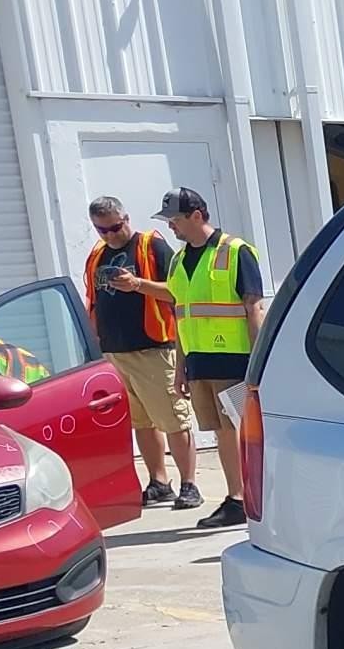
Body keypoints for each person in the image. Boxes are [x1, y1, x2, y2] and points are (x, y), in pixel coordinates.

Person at [117, 188, 265, 530]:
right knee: (223, 434)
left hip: (236, 362)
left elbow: (253, 309)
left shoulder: (235, 251)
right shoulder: (180, 261)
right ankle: (237, 499)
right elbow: (181, 309)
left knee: (247, 433)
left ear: (197, 215)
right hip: (201, 363)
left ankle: (258, 498)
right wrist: (181, 366)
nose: (171, 227)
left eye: (175, 219)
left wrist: (258, 365)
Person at [84, 196, 200, 509]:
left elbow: (178, 291)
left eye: (114, 227)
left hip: (153, 348)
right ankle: (159, 481)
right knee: (141, 422)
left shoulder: (151, 246)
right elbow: (93, 301)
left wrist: (136, 284)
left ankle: (189, 484)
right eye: (102, 230)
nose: (109, 235)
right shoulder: (97, 254)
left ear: (126, 218)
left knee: (174, 420)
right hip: (115, 352)